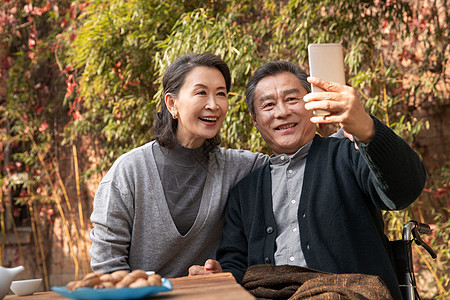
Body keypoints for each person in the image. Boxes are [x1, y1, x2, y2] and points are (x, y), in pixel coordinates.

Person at [188, 60, 426, 299]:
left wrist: (366, 128)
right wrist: (220, 275)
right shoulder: (244, 192)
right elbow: (236, 266)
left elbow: (403, 192)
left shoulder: (348, 155)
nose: (281, 112)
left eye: (292, 99)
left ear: (313, 104)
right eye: (268, 105)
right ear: (255, 119)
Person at [89, 53, 271, 278]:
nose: (213, 105)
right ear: (172, 104)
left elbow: (296, 161)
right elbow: (106, 263)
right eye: (201, 92)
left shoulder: (239, 167)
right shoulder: (129, 171)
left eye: (221, 94)